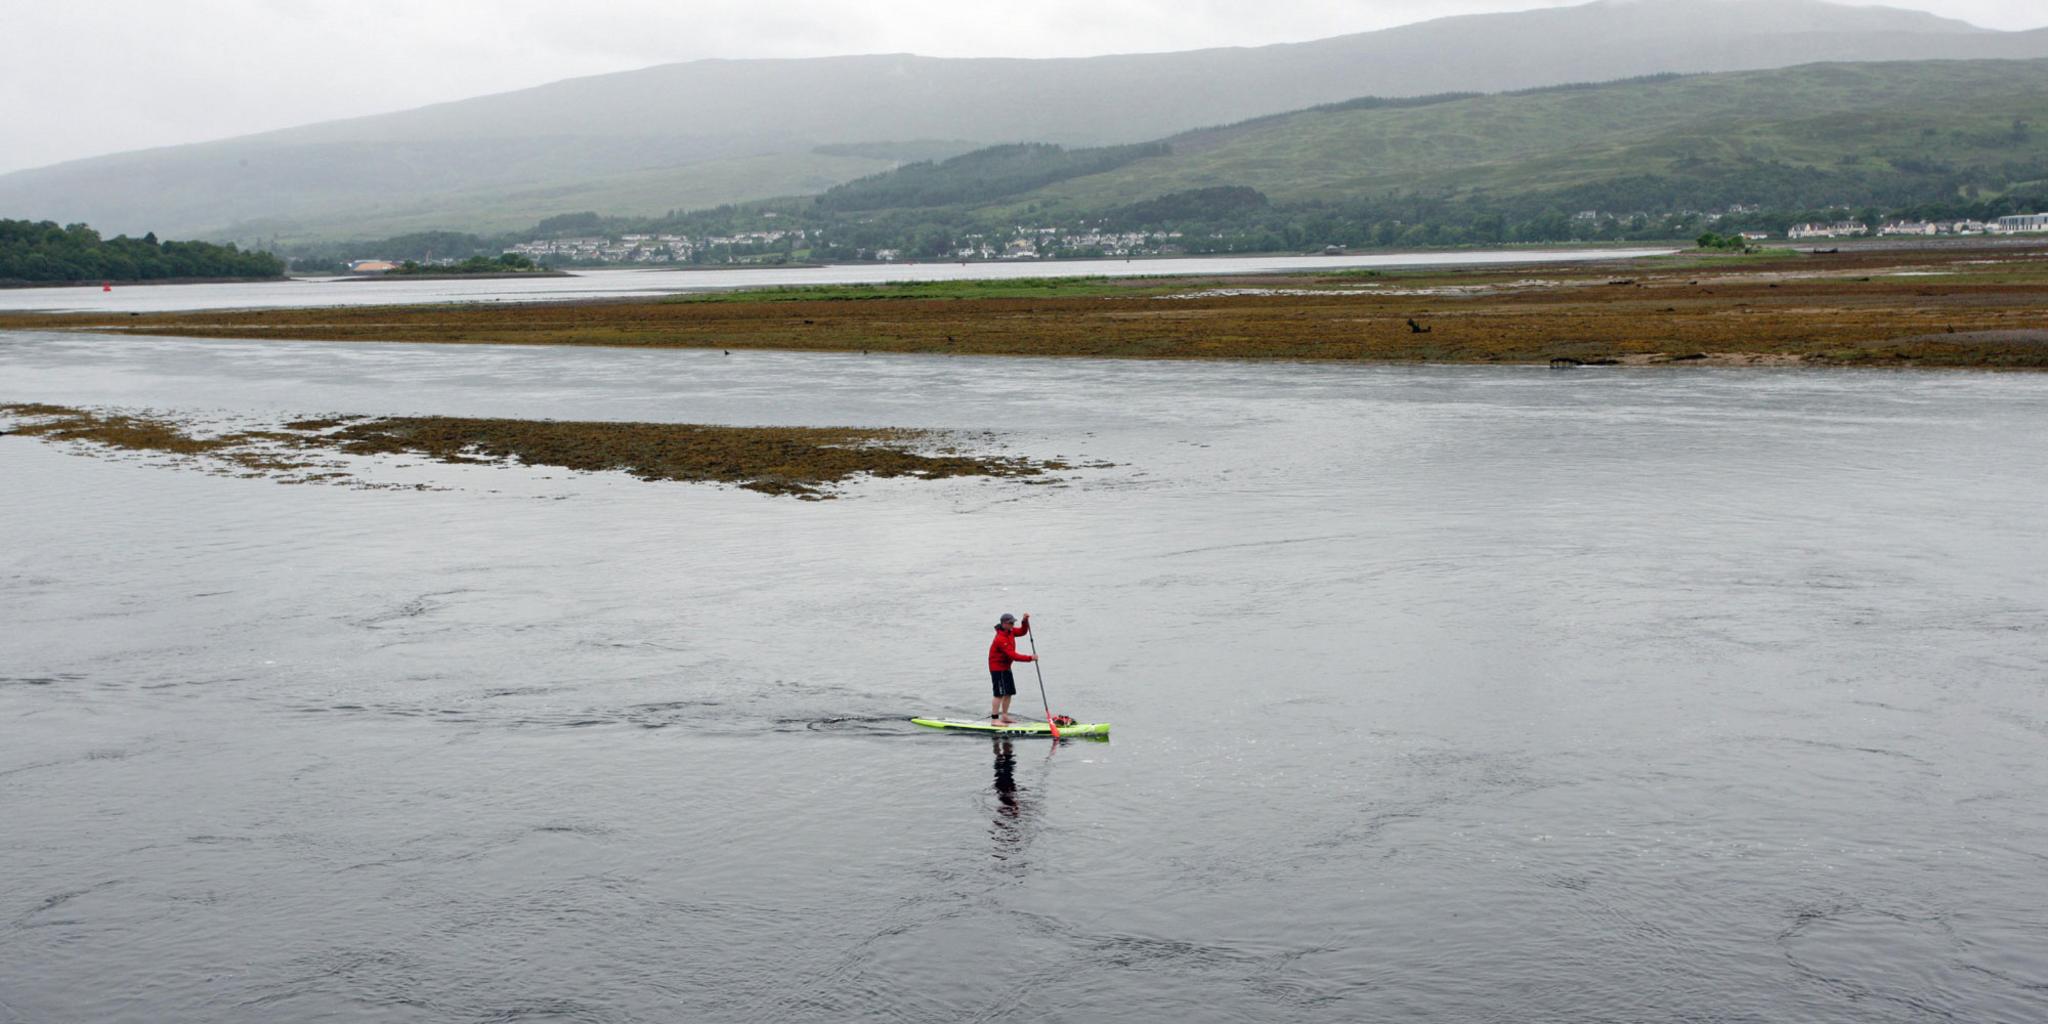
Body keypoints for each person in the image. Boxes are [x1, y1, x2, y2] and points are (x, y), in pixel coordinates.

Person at [987, 612, 1032, 724]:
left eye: (1013, 622)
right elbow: (1014, 656)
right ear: (1003, 624)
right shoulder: (1000, 638)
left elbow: (1022, 631)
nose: (1012, 625)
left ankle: (1005, 716)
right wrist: (1030, 658)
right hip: (997, 668)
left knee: (1009, 692)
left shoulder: (1010, 632)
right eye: (1010, 623)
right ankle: (994, 719)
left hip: (1006, 667)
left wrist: (1024, 621)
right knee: (999, 694)